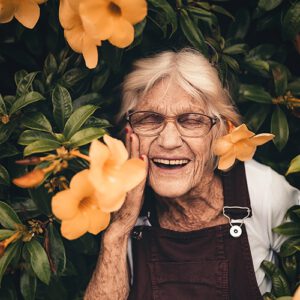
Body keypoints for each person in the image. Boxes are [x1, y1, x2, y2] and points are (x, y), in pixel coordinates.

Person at [84, 48, 300, 300]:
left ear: (218, 132)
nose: (168, 140)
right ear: (130, 133)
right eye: (150, 119)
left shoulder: (262, 191)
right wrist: (119, 229)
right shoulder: (124, 203)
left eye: (191, 120)